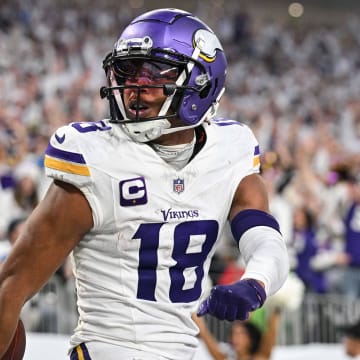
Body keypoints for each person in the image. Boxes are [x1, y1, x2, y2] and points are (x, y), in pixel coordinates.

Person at [0, 8, 289, 360]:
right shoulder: (97, 156)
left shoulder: (230, 149)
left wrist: (255, 282)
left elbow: (266, 240)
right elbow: (11, 286)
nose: (135, 86)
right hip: (107, 350)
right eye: (128, 70)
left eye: (153, 72)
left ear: (200, 82)